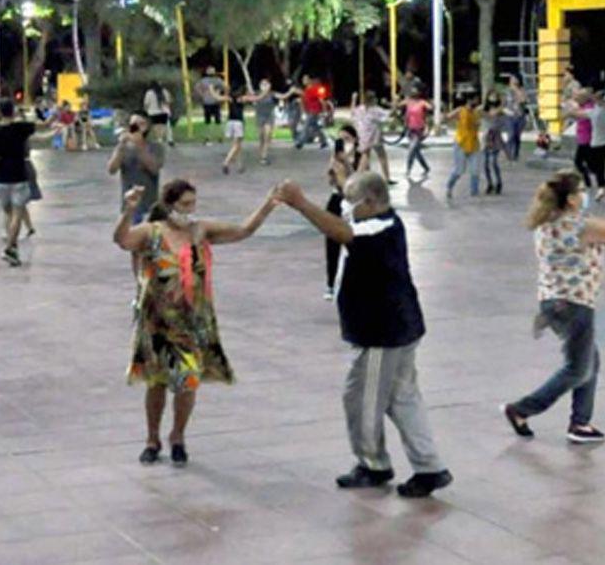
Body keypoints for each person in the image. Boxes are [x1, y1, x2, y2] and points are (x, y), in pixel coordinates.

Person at [273, 174, 454, 499]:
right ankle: (430, 468)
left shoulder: (379, 228)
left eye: (350, 200)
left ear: (370, 203)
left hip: (382, 334)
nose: (345, 206)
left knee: (362, 400)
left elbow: (340, 231)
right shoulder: (378, 220)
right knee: (402, 398)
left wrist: (300, 203)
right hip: (398, 327)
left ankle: (373, 464)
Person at [501, 170, 605, 444]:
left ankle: (581, 423)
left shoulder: (551, 221)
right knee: (577, 369)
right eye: (581, 190)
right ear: (571, 199)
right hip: (573, 304)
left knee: (589, 361)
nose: (585, 194)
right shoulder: (577, 225)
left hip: (554, 303)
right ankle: (522, 409)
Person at [114, 179, 277, 466]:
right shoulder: (152, 232)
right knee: (157, 383)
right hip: (157, 322)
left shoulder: (200, 230)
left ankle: (178, 435)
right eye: (184, 204)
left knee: (188, 381)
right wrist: (128, 211)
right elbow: (122, 240)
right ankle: (152, 438)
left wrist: (268, 204)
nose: (190, 210)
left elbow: (243, 230)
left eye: (193, 203)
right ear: (169, 206)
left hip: (192, 322)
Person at [0, 99, 52, 267]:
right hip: (18, 175)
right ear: (13, 111)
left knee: (8, 213)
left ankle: (12, 247)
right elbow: (44, 125)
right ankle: (10, 247)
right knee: (17, 213)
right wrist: (54, 116)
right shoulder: (21, 128)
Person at [324, 124, 366, 300]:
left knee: (354, 243)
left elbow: (357, 181)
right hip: (336, 201)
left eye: (347, 139)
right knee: (332, 244)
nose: (345, 144)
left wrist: (347, 163)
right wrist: (333, 169)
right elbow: (330, 180)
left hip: (353, 203)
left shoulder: (362, 156)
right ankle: (331, 283)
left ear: (355, 140)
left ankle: (356, 282)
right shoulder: (334, 159)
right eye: (341, 140)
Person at [109, 114, 166, 224]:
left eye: (141, 124)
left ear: (148, 127)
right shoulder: (124, 147)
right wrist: (121, 146)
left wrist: (139, 146)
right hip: (130, 206)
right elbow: (112, 169)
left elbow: (154, 168)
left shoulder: (156, 147)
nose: (137, 128)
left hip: (150, 205)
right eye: (134, 124)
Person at [350, 93, 393, 184]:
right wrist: (395, 103)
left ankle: (360, 177)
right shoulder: (375, 110)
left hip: (363, 135)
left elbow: (352, 111)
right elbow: (389, 114)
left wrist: (354, 99)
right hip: (374, 136)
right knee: (381, 156)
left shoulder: (360, 109)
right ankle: (386, 178)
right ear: (373, 100)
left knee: (366, 156)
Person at [444, 94, 481, 200]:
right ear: (468, 101)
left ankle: (474, 192)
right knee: (459, 170)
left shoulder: (477, 112)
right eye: (474, 100)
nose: (475, 102)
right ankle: (449, 187)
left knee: (475, 170)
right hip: (461, 143)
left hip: (474, 144)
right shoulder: (460, 110)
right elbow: (447, 118)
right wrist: (445, 115)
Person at [562, 90, 597, 192]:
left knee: (581, 162)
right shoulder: (581, 106)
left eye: (578, 97)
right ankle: (588, 181)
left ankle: (591, 181)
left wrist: (569, 112)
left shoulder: (590, 107)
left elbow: (581, 115)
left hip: (588, 138)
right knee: (584, 162)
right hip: (582, 138)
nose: (576, 99)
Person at [245, 80, 281, 166]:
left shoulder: (273, 94)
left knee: (267, 136)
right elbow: (249, 90)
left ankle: (264, 157)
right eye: (262, 84)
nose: (264, 85)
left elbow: (283, 96)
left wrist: (291, 92)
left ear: (270, 85)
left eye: (266, 84)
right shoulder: (257, 93)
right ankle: (261, 153)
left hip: (269, 117)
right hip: (259, 117)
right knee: (261, 137)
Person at [401, 86, 432, 181]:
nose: (414, 94)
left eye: (416, 92)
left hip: (419, 130)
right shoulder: (408, 102)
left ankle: (408, 170)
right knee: (416, 151)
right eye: (413, 92)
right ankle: (426, 167)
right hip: (410, 130)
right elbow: (400, 108)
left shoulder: (422, 103)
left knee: (412, 150)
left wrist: (429, 103)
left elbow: (430, 108)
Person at [295, 75, 332, 150]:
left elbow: (322, 101)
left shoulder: (315, 89)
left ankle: (300, 142)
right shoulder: (306, 90)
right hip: (309, 111)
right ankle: (324, 142)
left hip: (315, 111)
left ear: (309, 80)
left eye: (305, 79)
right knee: (315, 127)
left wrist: (325, 111)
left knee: (306, 125)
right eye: (303, 79)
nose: (303, 81)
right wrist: (304, 111)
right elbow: (305, 101)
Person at [480, 92, 505, 195]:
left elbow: (497, 115)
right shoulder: (483, 109)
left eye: (495, 96)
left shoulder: (500, 111)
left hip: (495, 138)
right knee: (485, 164)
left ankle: (499, 183)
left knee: (494, 162)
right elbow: (479, 112)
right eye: (491, 96)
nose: (493, 98)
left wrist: (501, 105)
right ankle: (489, 183)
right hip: (486, 138)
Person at [221, 87, 248, 175]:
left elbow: (217, 97)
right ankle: (226, 162)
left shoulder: (230, 99)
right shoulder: (242, 99)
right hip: (238, 123)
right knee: (236, 145)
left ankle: (240, 165)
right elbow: (257, 98)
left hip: (230, 122)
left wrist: (211, 90)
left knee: (237, 145)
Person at [195, 67, 226, 145]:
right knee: (211, 121)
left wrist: (219, 93)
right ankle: (211, 137)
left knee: (216, 121)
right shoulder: (207, 80)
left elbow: (224, 87)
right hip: (209, 102)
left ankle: (218, 137)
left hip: (214, 102)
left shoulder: (215, 80)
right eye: (210, 71)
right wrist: (203, 95)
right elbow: (197, 88)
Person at [503, 75, 529, 161]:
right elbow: (503, 104)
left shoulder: (522, 90)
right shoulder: (506, 91)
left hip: (520, 116)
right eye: (512, 78)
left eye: (515, 78)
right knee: (511, 135)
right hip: (509, 116)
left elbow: (524, 100)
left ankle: (515, 154)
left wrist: (517, 90)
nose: (513, 80)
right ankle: (508, 153)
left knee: (517, 137)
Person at [143, 82, 174, 148]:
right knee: (166, 127)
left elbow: (146, 103)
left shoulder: (149, 93)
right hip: (164, 112)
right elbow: (169, 101)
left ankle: (159, 141)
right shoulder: (165, 91)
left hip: (153, 112)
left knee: (156, 128)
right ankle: (170, 139)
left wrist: (145, 110)